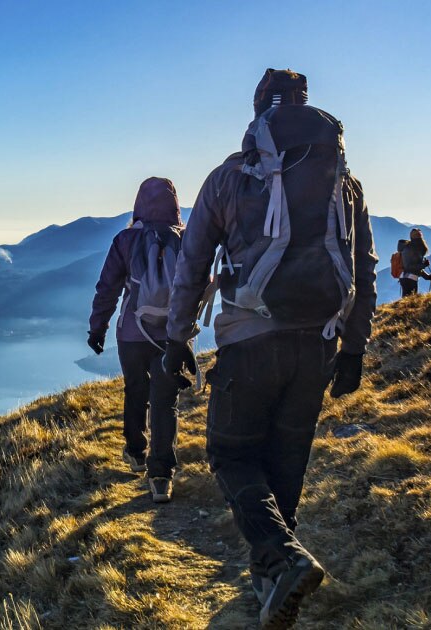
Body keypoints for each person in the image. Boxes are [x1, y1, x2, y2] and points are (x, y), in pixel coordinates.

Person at [162, 69, 377, 629]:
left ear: (258, 112)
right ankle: (273, 582)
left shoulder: (231, 177)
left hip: (250, 342)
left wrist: (178, 337)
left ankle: (282, 561)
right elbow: (363, 268)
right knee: (286, 459)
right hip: (319, 342)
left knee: (232, 455)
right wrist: (353, 348)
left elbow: (193, 265)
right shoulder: (344, 183)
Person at [88, 176, 183, 504]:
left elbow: (107, 288)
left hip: (131, 333)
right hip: (172, 335)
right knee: (164, 400)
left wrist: (97, 329)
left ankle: (135, 452)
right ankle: (161, 475)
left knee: (135, 391)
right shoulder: (185, 241)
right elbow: (194, 287)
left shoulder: (125, 240)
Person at [397, 227, 431, 297]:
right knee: (411, 300)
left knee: (407, 301)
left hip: (405, 278)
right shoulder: (412, 249)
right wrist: (424, 265)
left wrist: (428, 277)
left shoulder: (410, 248)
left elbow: (415, 267)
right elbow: (409, 267)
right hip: (410, 279)